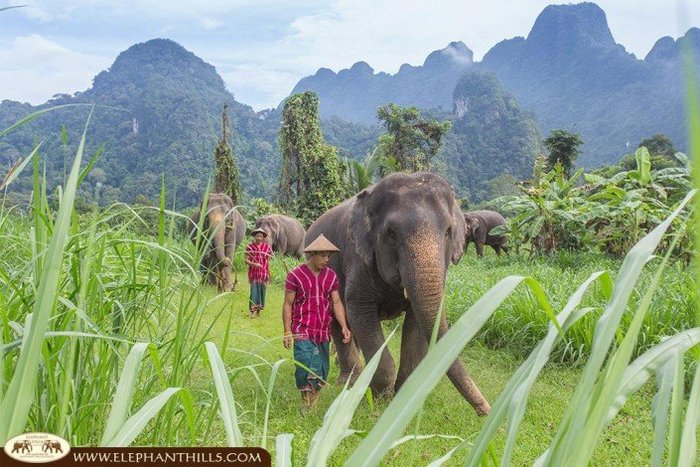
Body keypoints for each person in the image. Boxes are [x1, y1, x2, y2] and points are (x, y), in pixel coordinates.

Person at [282, 234, 352, 409]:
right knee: (305, 364)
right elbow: (288, 304)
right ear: (312, 254)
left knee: (322, 368)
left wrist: (344, 326)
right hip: (301, 329)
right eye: (322, 255)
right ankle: (306, 403)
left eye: (328, 256)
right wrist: (286, 331)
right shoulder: (295, 275)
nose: (326, 259)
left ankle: (313, 403)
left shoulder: (331, 276)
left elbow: (336, 302)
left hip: (322, 331)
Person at [244, 228, 273, 317]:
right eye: (257, 236)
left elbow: (269, 260)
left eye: (261, 236)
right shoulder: (249, 247)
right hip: (254, 274)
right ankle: (252, 311)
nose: (259, 238)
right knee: (254, 291)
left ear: (263, 238)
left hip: (264, 274)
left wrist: (269, 274)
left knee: (262, 291)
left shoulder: (267, 247)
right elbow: (246, 260)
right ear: (254, 236)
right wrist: (254, 264)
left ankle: (258, 311)